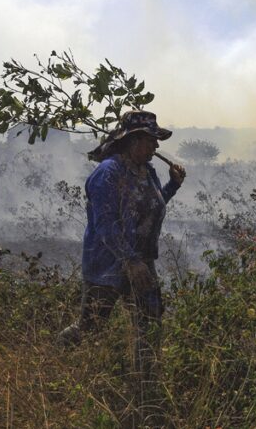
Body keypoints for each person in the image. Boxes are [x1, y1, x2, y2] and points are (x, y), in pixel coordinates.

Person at [57, 110, 186, 409]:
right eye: (151, 140)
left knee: (150, 323)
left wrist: (173, 186)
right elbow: (106, 224)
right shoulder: (108, 173)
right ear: (133, 141)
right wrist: (129, 259)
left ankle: (146, 387)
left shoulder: (147, 171)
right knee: (90, 326)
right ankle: (58, 358)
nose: (155, 147)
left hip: (141, 263)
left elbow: (150, 209)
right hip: (108, 267)